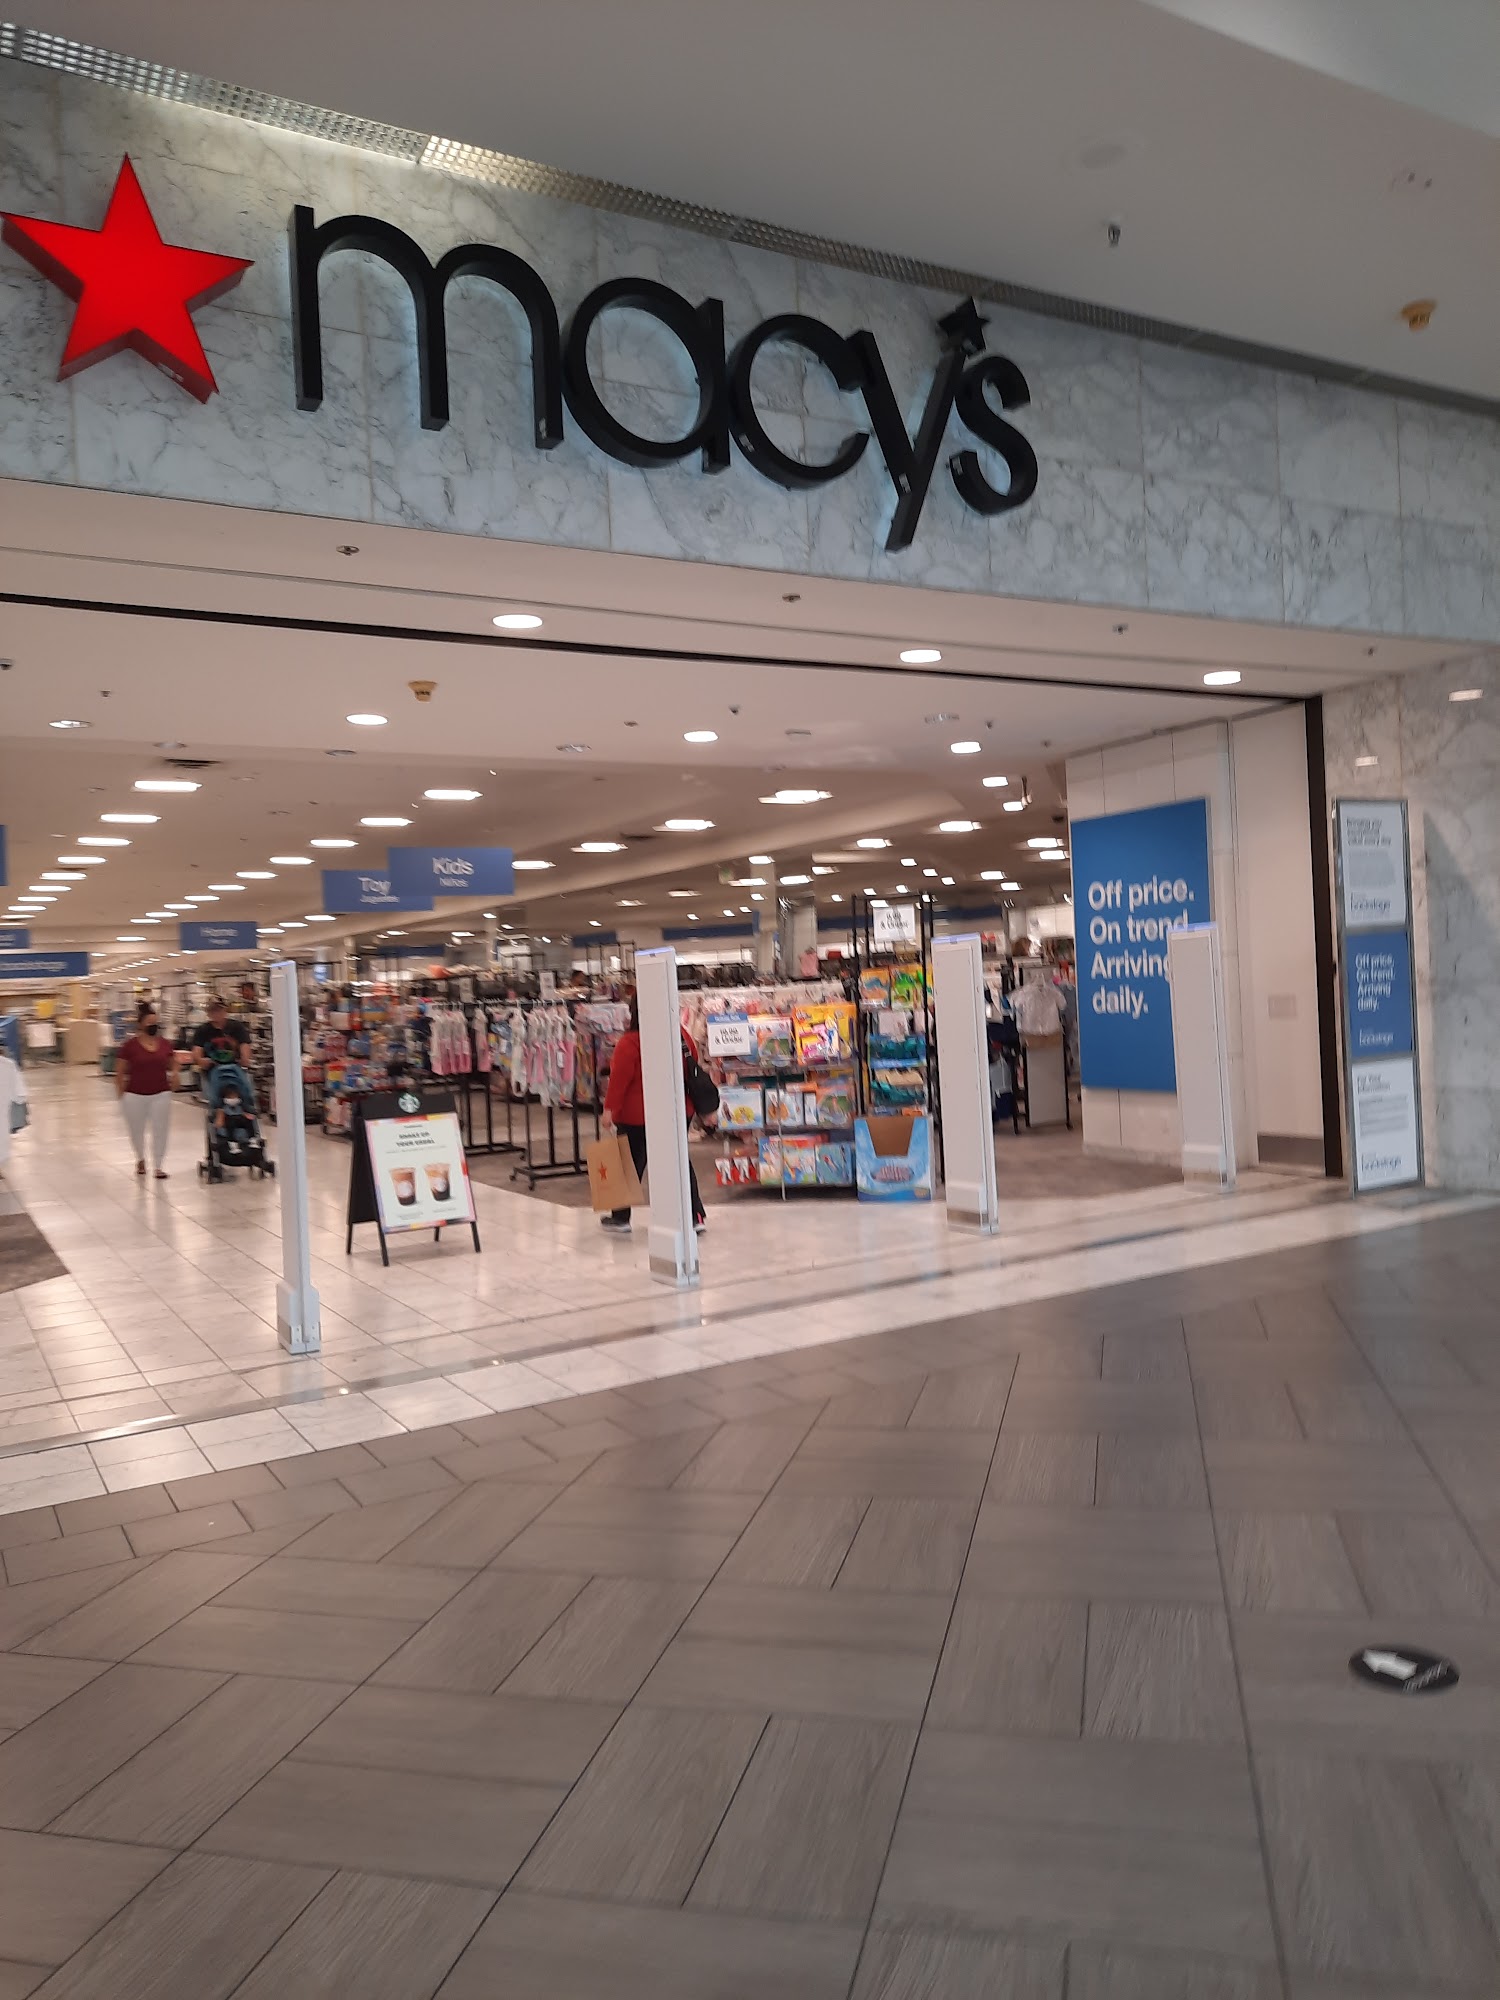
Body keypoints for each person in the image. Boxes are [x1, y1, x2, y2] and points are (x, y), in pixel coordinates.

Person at [600, 998, 708, 1235]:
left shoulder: (630, 1042)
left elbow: (619, 1081)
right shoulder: (680, 1035)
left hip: (637, 1114)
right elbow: (693, 1063)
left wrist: (608, 1111)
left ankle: (620, 1218)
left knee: (627, 1165)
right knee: (679, 1163)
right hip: (677, 1110)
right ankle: (695, 1216)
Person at [117, 1000, 179, 1178]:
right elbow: (120, 1071)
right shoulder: (130, 1046)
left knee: (161, 1129)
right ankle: (140, 1158)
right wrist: (121, 1095)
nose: (153, 1026)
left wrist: (175, 1073)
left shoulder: (165, 1044)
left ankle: (158, 1165)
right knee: (136, 1130)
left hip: (161, 1093)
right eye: (149, 1023)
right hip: (134, 1094)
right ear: (141, 1024)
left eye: (155, 1022)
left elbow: (173, 1061)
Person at [191, 997, 256, 1134]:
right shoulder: (203, 1030)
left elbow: (245, 1045)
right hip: (212, 1070)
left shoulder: (236, 1027)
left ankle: (247, 1113)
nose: (216, 1014)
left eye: (219, 1010)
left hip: (235, 1067)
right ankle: (219, 1112)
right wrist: (201, 1060)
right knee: (214, 1093)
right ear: (208, 1013)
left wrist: (245, 1058)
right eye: (213, 1011)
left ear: (225, 1011)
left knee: (246, 1090)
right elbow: (196, 1051)